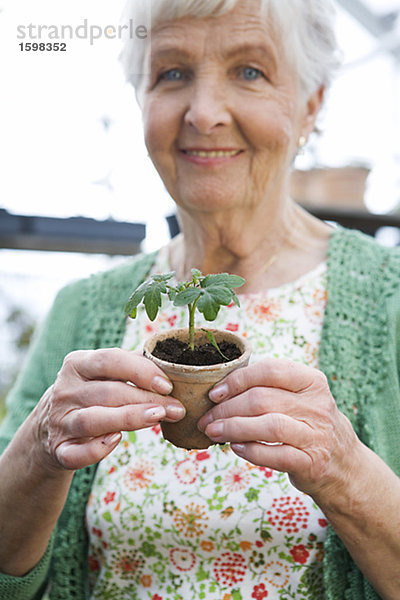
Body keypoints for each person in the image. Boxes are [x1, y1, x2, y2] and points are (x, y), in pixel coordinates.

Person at [1, 0, 399, 598]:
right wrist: (39, 450)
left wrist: (345, 469)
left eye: (250, 71)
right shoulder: (83, 309)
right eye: (172, 73)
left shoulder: (389, 300)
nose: (205, 112)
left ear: (311, 104)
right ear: (141, 100)